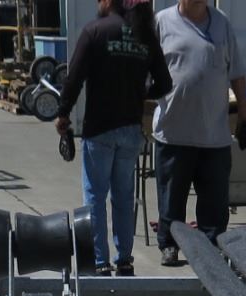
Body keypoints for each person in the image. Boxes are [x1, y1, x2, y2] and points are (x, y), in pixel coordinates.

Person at [54, 0, 171, 277]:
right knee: (123, 196)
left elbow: (74, 77)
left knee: (95, 196)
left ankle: (100, 262)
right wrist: (140, 93)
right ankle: (125, 260)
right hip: (131, 130)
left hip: (99, 129)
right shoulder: (144, 35)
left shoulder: (95, 31)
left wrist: (63, 113)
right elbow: (165, 83)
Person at [150, 0, 246, 267]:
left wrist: (243, 112)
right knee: (171, 199)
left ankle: (213, 248)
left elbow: (237, 73)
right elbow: (143, 69)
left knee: (215, 203)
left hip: (214, 136)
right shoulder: (162, 22)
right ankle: (169, 245)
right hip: (173, 133)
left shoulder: (222, 24)